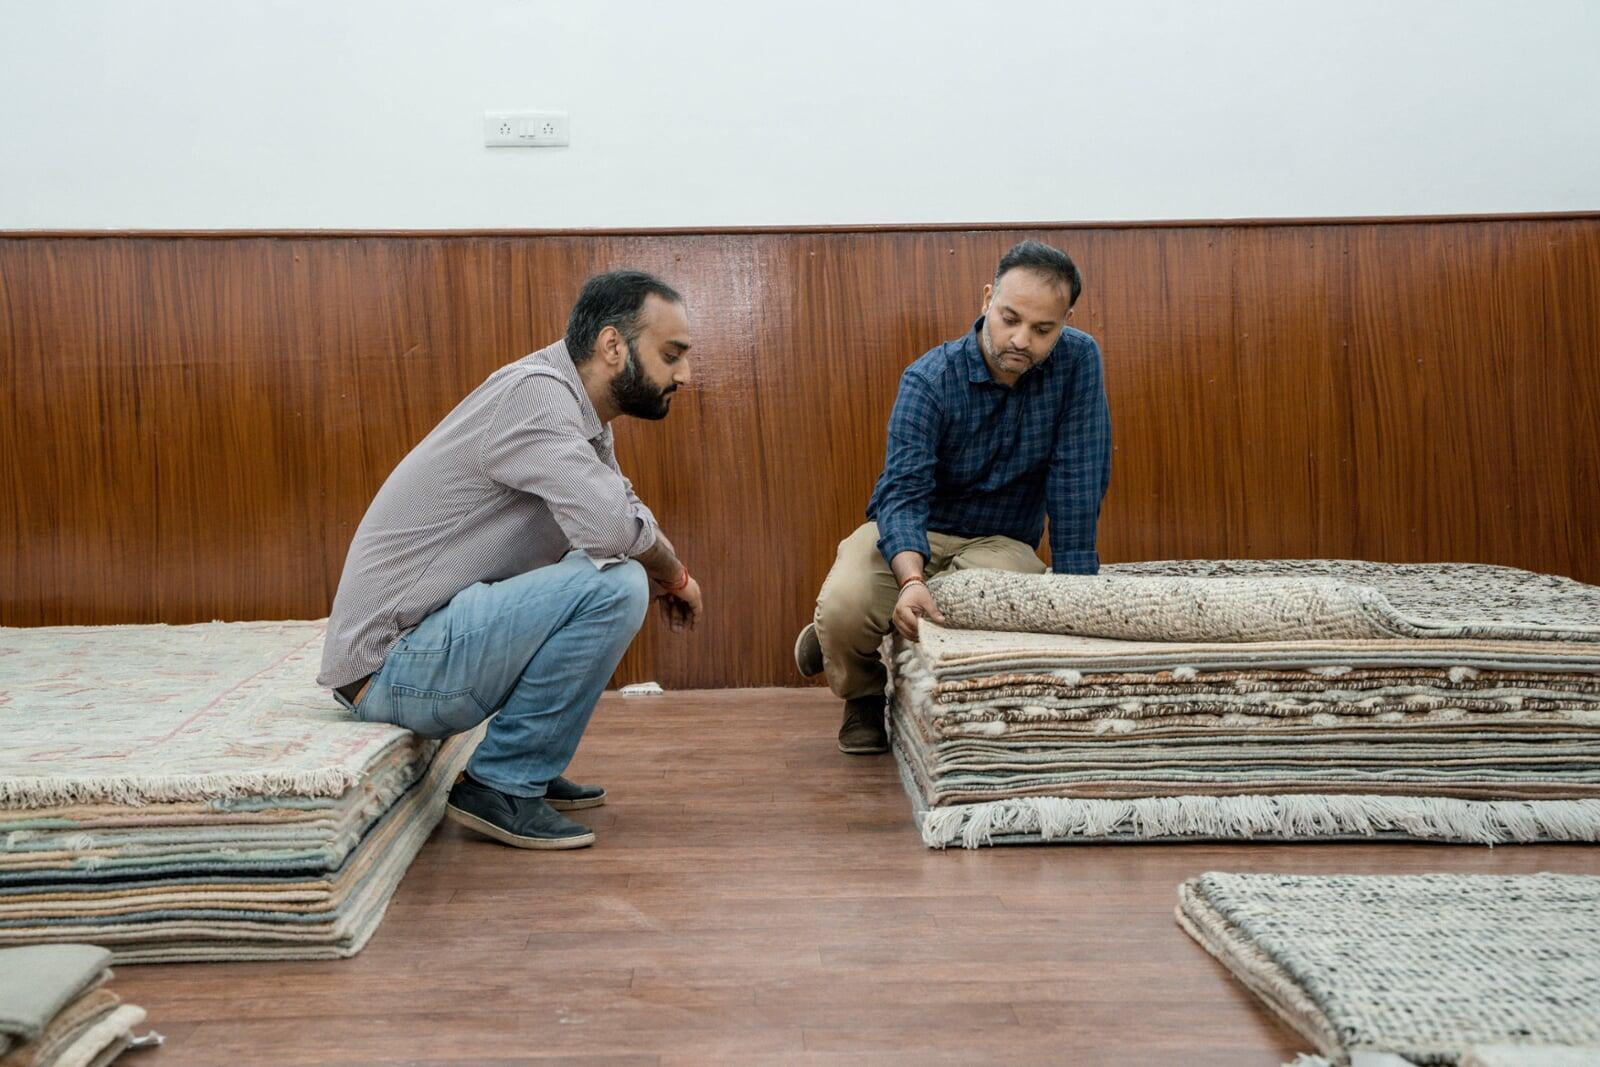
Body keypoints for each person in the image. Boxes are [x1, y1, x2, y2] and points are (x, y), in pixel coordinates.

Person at [318, 270, 704, 849]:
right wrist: (672, 575)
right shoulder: (536, 399)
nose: (684, 374)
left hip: (422, 649)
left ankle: (530, 762)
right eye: (671, 355)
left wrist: (668, 571)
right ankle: (500, 783)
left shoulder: (575, 410)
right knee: (616, 582)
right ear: (612, 345)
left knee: (613, 570)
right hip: (389, 666)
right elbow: (610, 528)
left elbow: (620, 509)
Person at [795, 240, 1111, 754]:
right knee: (846, 603)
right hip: (914, 528)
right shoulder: (929, 379)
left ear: (1065, 323)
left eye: (1043, 330)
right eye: (1009, 318)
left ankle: (861, 627)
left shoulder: (1078, 360)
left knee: (1007, 602)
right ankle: (862, 691)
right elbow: (902, 493)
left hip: (1000, 543)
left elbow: (1078, 475)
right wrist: (911, 578)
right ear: (987, 299)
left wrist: (1076, 601)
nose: (1021, 340)